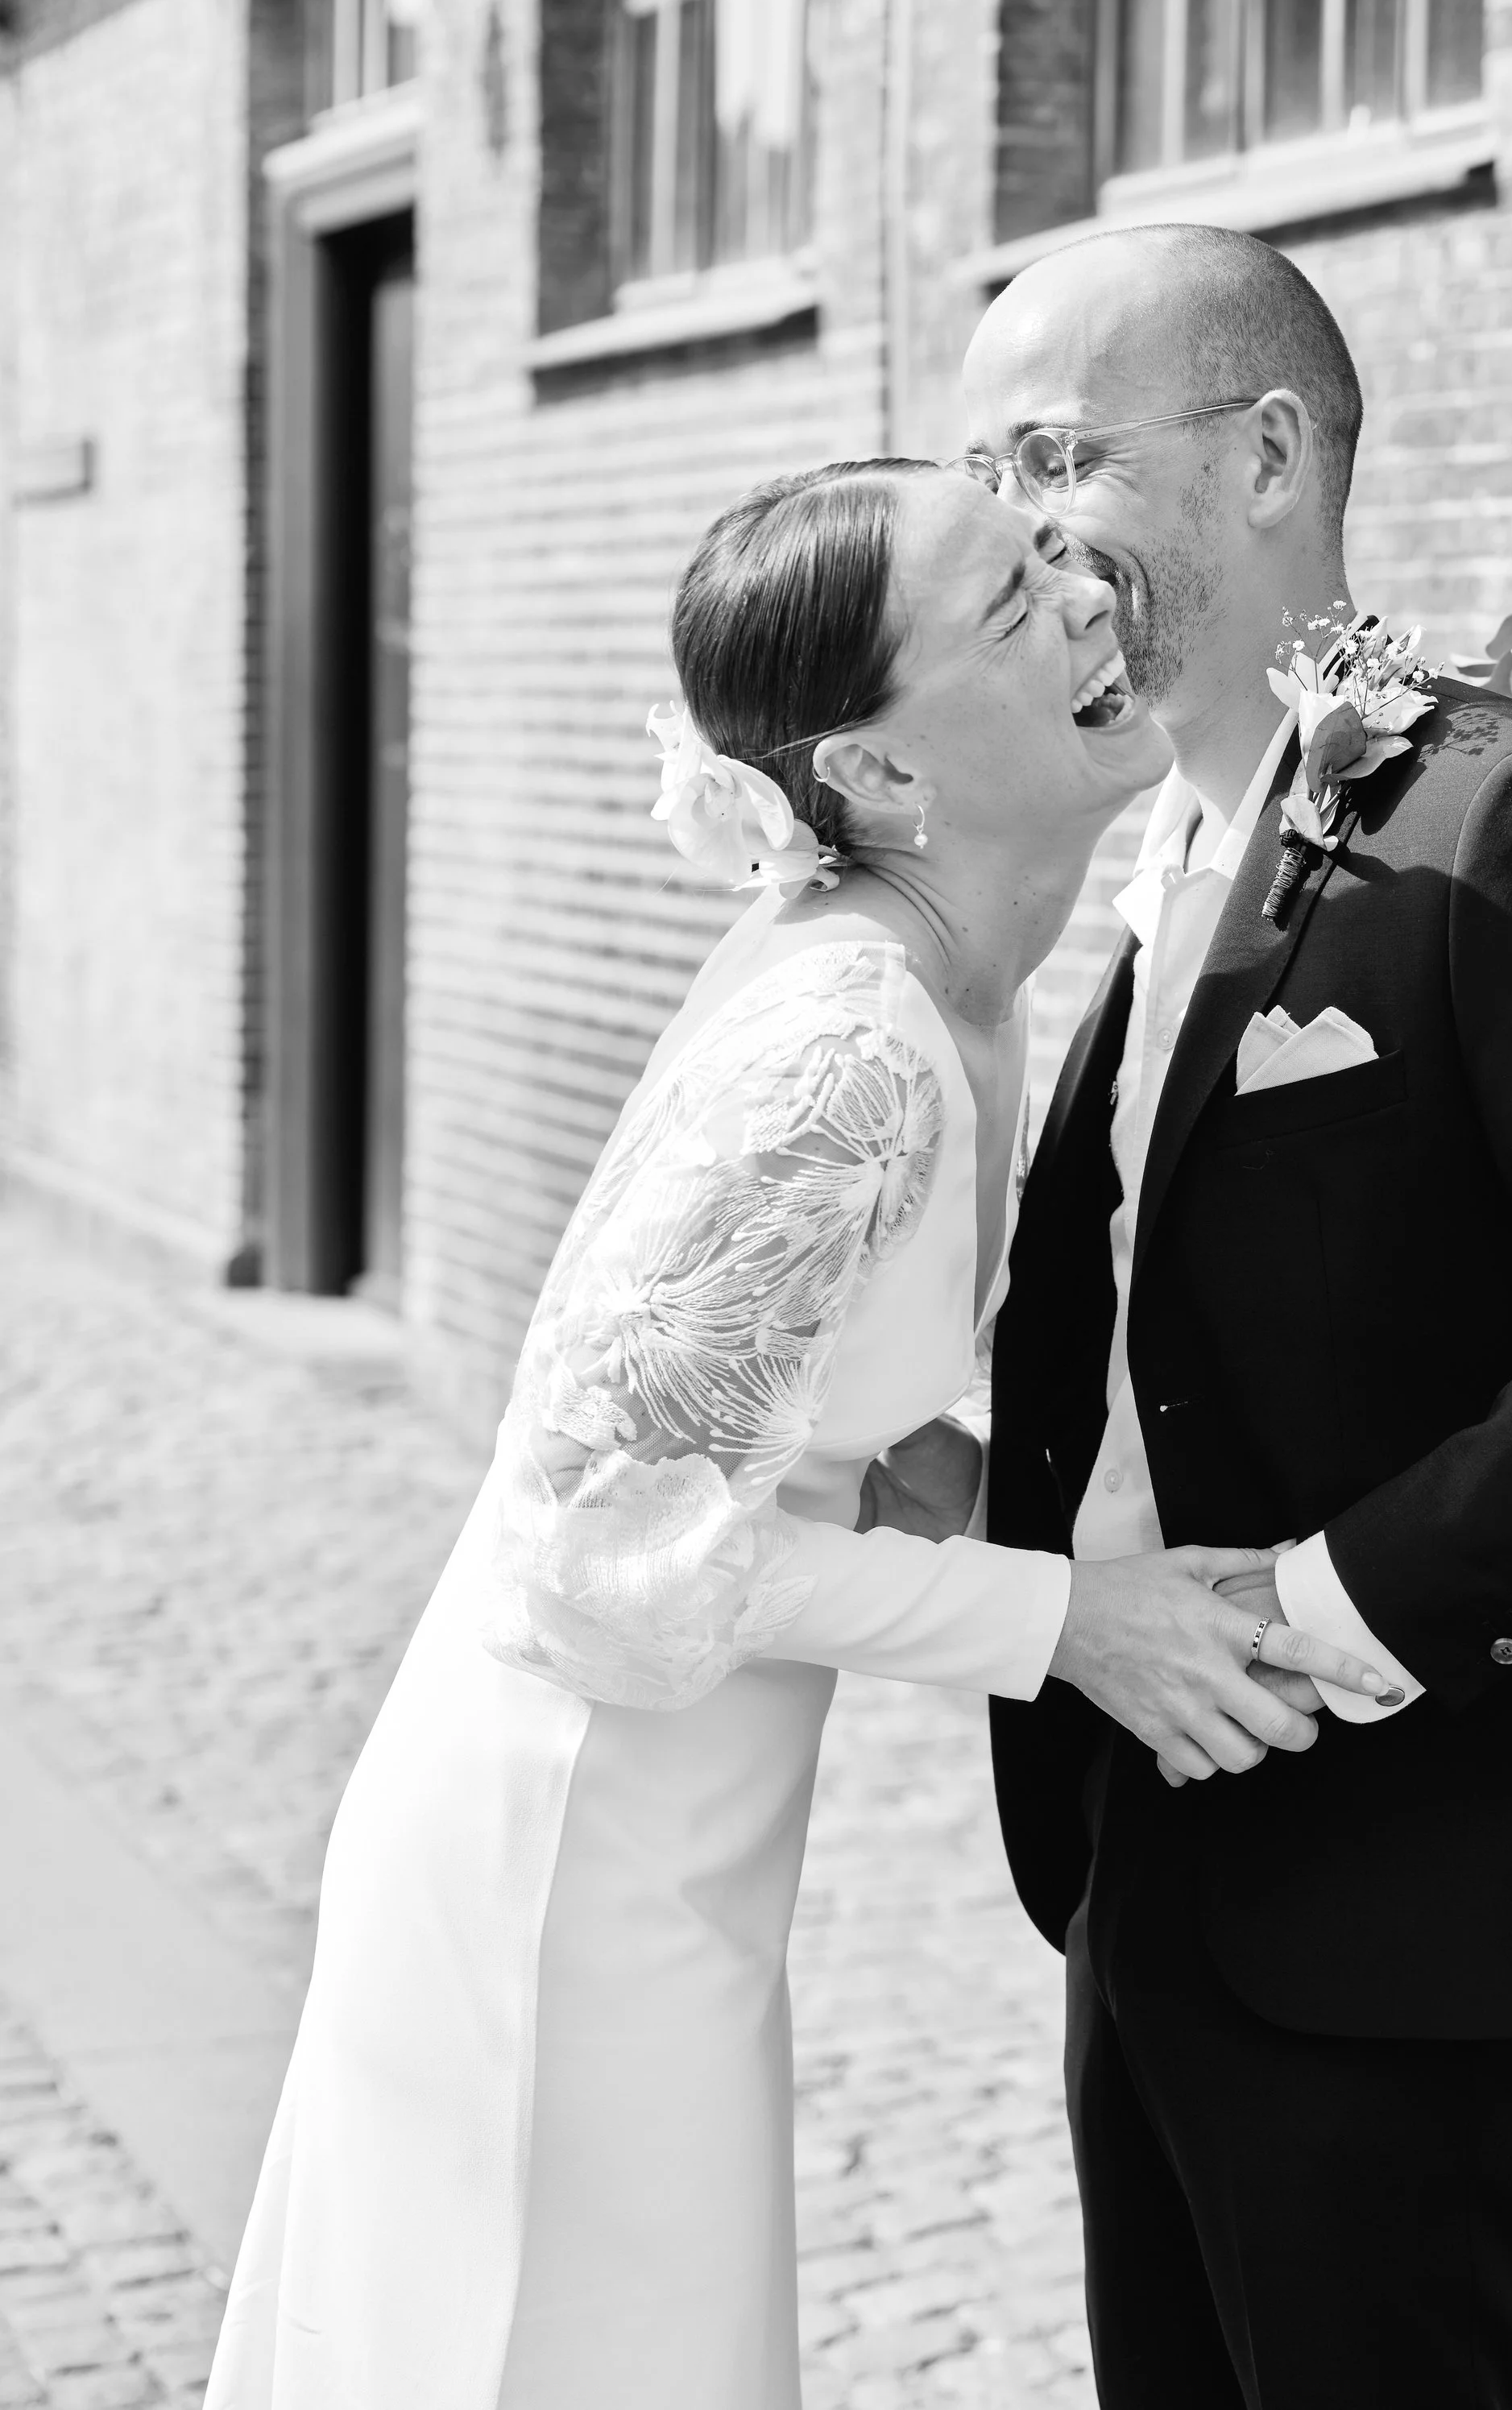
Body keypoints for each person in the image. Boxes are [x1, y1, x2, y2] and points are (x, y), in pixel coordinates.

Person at [201, 456, 1391, 2410]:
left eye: (1052, 561)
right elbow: (589, 1552)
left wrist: (1030, 1520)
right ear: (877, 780)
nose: (1090, 603)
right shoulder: (843, 1046)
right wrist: (1063, 1621)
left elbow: (774, 1424)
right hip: (566, 1844)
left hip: (674, 1829)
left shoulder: (967, 980)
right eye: (1014, 608)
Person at [967, 226, 1512, 2410]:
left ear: (1266, 454)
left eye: (1058, 454)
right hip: (1136, 1838)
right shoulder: (1158, 842)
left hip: (1402, 1872)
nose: (1014, 527)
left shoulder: (1501, 814)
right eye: (988, 469)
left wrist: (1336, 1614)